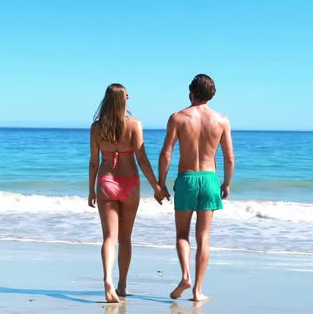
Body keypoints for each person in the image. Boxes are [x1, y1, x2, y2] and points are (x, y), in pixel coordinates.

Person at [157, 74, 235, 302]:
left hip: (187, 179)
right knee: (204, 237)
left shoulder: (178, 117)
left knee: (182, 234)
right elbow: (229, 157)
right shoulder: (221, 120)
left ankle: (185, 276)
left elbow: (166, 154)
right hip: (210, 179)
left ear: (191, 92)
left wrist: (161, 184)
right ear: (212, 95)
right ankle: (198, 291)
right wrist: (227, 183)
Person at [88, 83, 164, 303]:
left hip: (105, 181)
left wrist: (91, 189)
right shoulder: (134, 125)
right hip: (130, 184)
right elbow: (142, 158)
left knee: (109, 237)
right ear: (124, 100)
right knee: (125, 238)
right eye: (127, 94)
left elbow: (94, 162)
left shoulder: (96, 128)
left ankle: (108, 281)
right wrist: (157, 187)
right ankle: (121, 285)